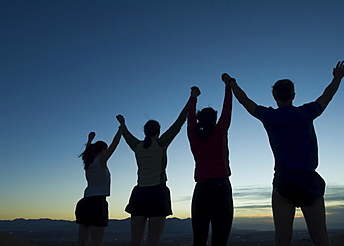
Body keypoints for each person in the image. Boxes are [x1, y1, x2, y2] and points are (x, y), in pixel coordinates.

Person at [222, 61, 344, 246]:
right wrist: (337, 78)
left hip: (284, 182)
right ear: (293, 95)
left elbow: (245, 101)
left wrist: (231, 83)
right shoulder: (306, 113)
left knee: (282, 239)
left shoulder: (270, 117)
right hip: (308, 181)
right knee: (320, 238)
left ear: (274, 96)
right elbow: (327, 96)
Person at [116, 93, 191, 246]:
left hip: (139, 193)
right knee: (154, 241)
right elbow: (179, 122)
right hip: (157, 193)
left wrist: (122, 123)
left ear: (145, 131)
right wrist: (192, 98)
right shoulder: (161, 144)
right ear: (158, 131)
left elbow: (126, 135)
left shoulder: (137, 146)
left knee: (135, 241)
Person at [187, 82, 233, 245]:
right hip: (221, 188)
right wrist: (229, 87)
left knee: (199, 240)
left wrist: (193, 97)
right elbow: (227, 110)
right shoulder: (219, 132)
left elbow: (190, 117)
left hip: (201, 190)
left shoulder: (194, 135)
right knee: (220, 240)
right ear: (214, 120)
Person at [75, 119, 122, 246]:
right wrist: (121, 128)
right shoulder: (101, 161)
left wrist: (90, 139)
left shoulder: (88, 163)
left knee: (82, 242)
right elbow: (115, 144)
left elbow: (87, 151)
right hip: (97, 204)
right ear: (102, 151)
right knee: (97, 242)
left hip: (84, 203)